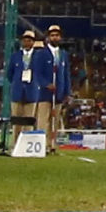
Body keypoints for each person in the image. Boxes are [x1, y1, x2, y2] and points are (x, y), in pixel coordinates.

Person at [5, 29, 51, 148]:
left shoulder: (38, 56)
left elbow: (42, 71)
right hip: (17, 92)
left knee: (29, 121)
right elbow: (9, 74)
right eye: (25, 40)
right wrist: (17, 83)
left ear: (33, 42)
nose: (27, 42)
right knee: (16, 122)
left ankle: (26, 146)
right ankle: (15, 145)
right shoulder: (16, 56)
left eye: (29, 40)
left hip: (32, 92)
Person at [44, 25, 72, 154]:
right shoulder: (42, 53)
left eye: (57, 35)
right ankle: (44, 144)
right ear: (49, 37)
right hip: (44, 93)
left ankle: (52, 144)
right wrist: (45, 84)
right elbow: (38, 72)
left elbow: (66, 74)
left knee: (55, 120)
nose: (55, 37)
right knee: (44, 120)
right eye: (52, 35)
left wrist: (67, 92)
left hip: (59, 93)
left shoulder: (63, 54)